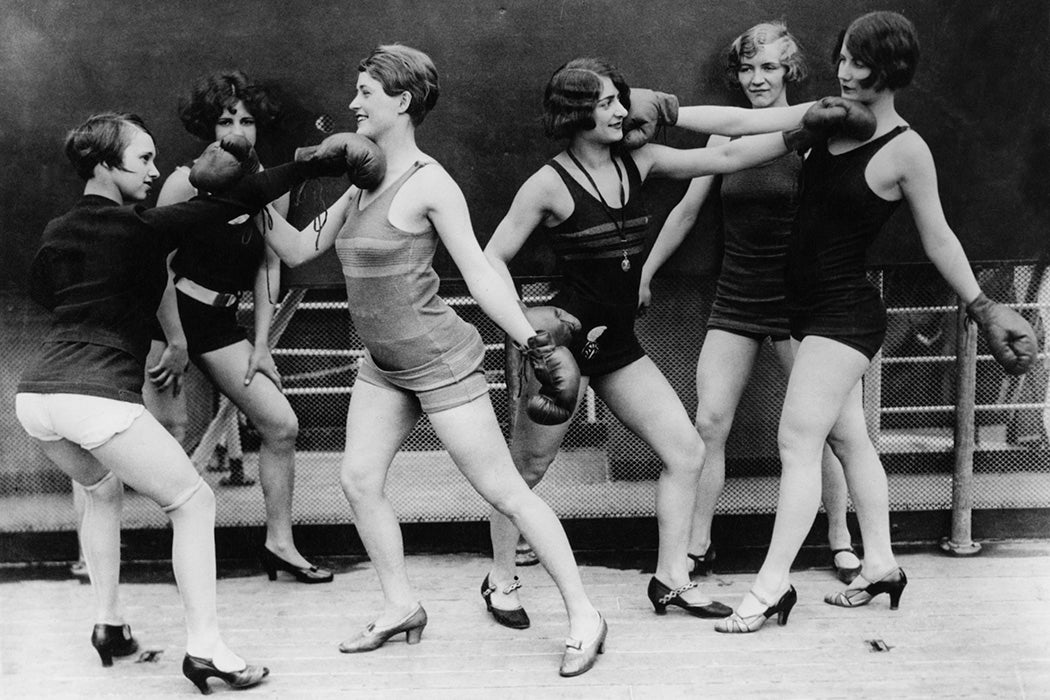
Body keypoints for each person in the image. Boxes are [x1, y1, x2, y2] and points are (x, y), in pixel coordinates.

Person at [260, 43, 607, 677]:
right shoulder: (361, 182)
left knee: (505, 492)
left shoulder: (430, 182)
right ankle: (401, 607)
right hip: (382, 364)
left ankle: (585, 615)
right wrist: (254, 187)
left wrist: (531, 341)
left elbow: (479, 272)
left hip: (439, 360)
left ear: (400, 101)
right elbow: (294, 246)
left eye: (364, 92)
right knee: (359, 481)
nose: (351, 104)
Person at [713, 11, 1037, 633]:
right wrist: (669, 114)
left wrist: (982, 305)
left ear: (891, 71)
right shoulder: (831, 120)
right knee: (850, 439)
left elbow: (938, 237)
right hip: (803, 308)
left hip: (845, 315)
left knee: (796, 440)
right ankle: (881, 564)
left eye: (860, 63)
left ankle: (770, 586)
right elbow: (743, 123)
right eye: (842, 58)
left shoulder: (907, 149)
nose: (845, 71)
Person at [481, 57, 824, 628]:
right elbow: (490, 258)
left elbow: (727, 154)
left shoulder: (638, 161)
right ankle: (499, 581)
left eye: (621, 99)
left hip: (616, 345)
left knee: (686, 453)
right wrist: (527, 335)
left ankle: (671, 579)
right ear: (575, 112)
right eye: (607, 102)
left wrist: (800, 130)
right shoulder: (548, 183)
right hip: (567, 347)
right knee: (526, 469)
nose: (622, 110)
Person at [14, 113, 332, 691]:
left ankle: (109, 624)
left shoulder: (58, 229)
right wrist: (314, 163)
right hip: (94, 395)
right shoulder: (140, 226)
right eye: (143, 160)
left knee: (99, 488)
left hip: (36, 398)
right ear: (105, 166)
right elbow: (237, 197)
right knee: (192, 502)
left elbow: (44, 291)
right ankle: (208, 651)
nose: (156, 169)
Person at [639, 21, 862, 584]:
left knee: (831, 429)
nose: (757, 78)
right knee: (709, 422)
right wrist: (643, 272)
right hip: (736, 297)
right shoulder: (724, 136)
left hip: (803, 306)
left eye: (769, 67)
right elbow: (686, 212)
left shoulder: (819, 129)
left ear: (791, 70)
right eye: (747, 67)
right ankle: (697, 544)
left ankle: (840, 537)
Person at [143, 70, 331, 584]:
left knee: (281, 425)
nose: (237, 129)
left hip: (222, 322)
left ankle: (280, 545)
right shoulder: (185, 179)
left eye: (246, 120)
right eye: (226, 119)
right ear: (209, 124)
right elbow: (154, 261)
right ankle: (172, 553)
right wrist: (174, 339)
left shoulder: (270, 187)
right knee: (166, 435)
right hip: (169, 319)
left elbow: (269, 266)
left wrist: (263, 343)